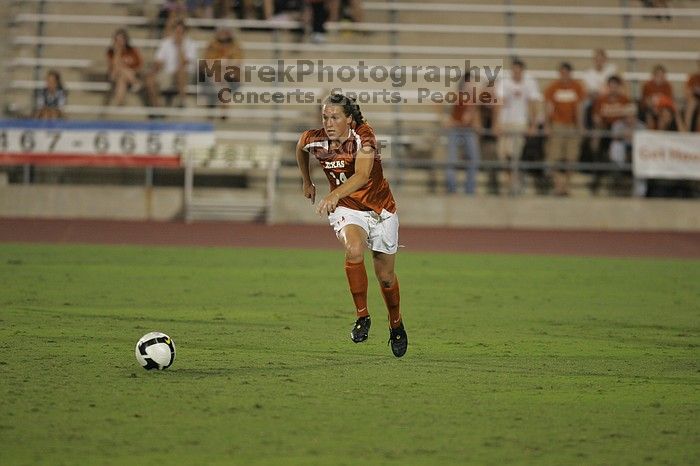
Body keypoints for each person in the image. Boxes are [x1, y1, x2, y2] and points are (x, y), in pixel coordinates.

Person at [295, 93, 408, 358]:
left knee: (386, 278)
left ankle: (395, 323)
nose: (329, 123)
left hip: (381, 210)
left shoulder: (364, 136)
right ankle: (363, 317)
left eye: (335, 117)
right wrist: (306, 181)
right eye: (325, 117)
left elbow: (362, 174)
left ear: (349, 119)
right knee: (354, 250)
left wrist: (333, 193)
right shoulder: (315, 138)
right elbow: (300, 147)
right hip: (348, 209)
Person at [493, 58, 542, 195]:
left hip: (520, 123)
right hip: (505, 122)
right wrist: (496, 123)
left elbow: (534, 104)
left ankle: (515, 183)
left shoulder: (530, 83)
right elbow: (498, 104)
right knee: (503, 154)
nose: (516, 74)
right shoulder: (504, 83)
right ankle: (511, 181)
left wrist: (533, 125)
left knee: (514, 153)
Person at [543, 62, 586, 196]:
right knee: (554, 156)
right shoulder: (553, 87)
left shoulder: (577, 87)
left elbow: (579, 107)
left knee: (571, 157)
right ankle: (558, 185)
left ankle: (566, 186)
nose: (564, 76)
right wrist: (547, 125)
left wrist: (580, 125)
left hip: (572, 126)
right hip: (557, 124)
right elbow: (547, 107)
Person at [145, 19, 199, 108]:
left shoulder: (191, 44)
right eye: (177, 31)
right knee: (150, 79)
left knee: (180, 71)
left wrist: (179, 47)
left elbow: (183, 63)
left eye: (181, 32)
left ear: (184, 32)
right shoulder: (165, 43)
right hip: (168, 74)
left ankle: (182, 101)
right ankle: (157, 107)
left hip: (186, 75)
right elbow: (158, 61)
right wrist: (154, 71)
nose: (178, 34)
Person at [444, 73, 482, 195]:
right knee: (452, 159)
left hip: (468, 131)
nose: (473, 85)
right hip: (457, 130)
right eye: (470, 82)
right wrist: (451, 121)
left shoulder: (473, 99)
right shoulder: (457, 97)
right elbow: (448, 113)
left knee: (473, 159)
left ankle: (469, 189)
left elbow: (474, 116)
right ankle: (452, 188)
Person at [199, 28, 243, 110]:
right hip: (213, 76)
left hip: (230, 76)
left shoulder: (235, 46)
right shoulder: (212, 45)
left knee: (223, 72)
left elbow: (237, 63)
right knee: (219, 75)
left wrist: (225, 63)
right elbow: (208, 62)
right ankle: (222, 107)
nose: (224, 42)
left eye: (227, 39)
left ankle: (216, 105)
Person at [106, 29, 143, 106]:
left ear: (126, 40)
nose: (119, 42)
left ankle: (120, 101)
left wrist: (128, 70)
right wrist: (117, 52)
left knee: (122, 79)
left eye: (121, 39)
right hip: (115, 74)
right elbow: (113, 68)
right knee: (121, 71)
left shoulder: (132, 50)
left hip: (130, 74)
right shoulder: (111, 52)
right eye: (117, 40)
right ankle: (135, 82)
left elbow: (139, 65)